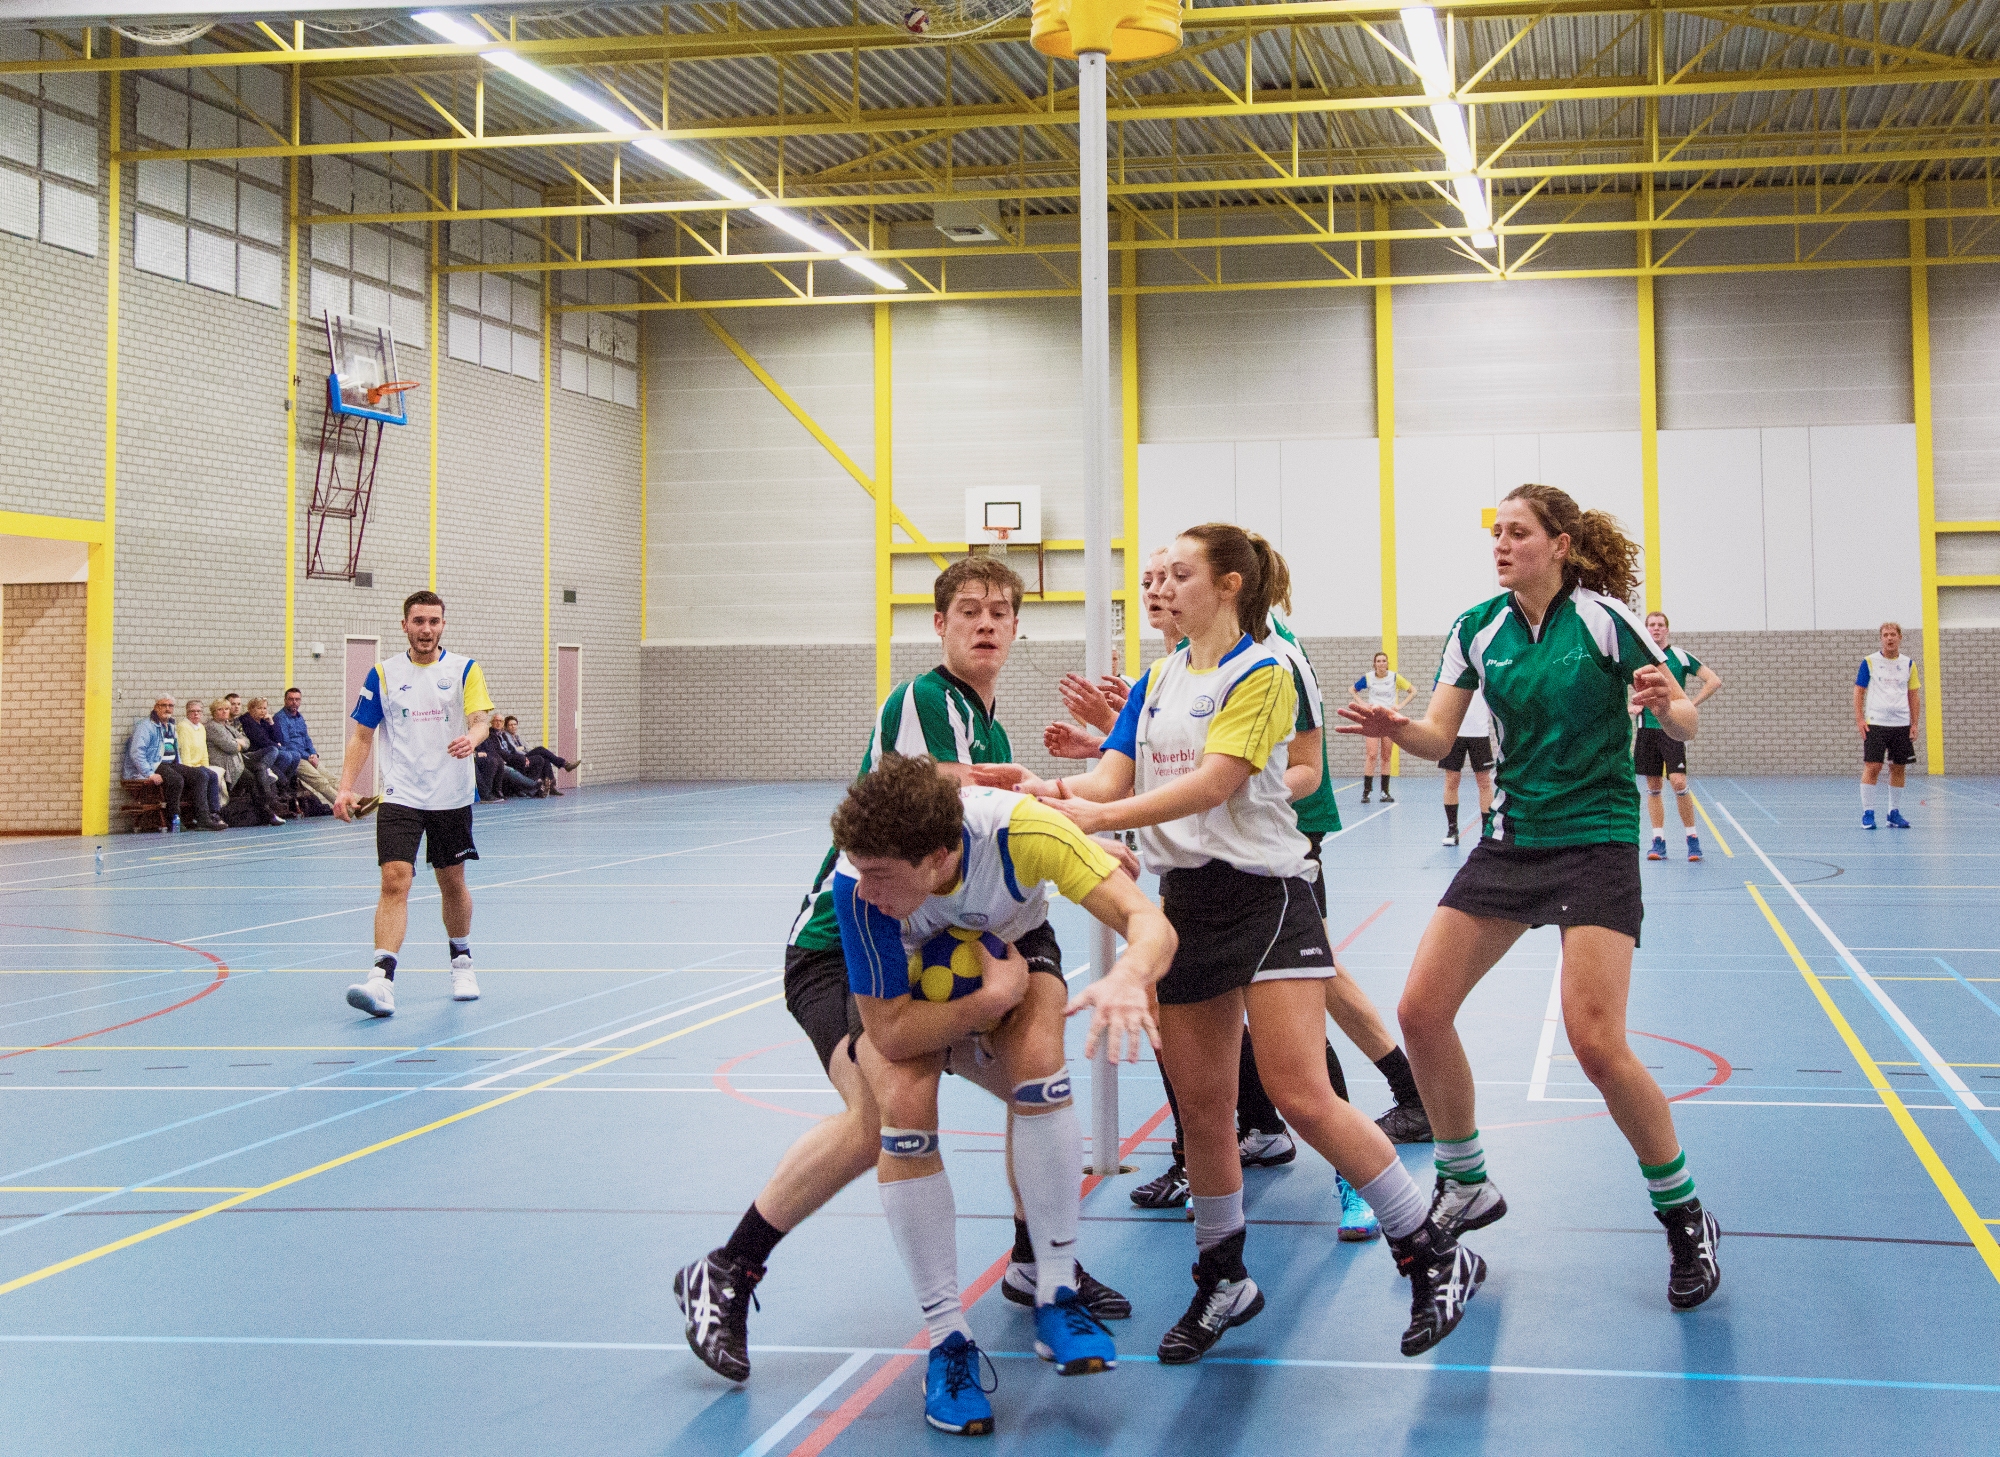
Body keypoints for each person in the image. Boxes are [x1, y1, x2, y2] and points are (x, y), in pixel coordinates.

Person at [993, 523, 1485, 1365]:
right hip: (1188, 902)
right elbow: (1112, 773)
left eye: (1180, 573)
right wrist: (1045, 790)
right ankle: (1223, 1275)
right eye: (1158, 576)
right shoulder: (1158, 679)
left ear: (1229, 584)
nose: (1161, 586)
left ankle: (1431, 1251)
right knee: (1204, 1109)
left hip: (1265, 897)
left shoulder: (1263, 672)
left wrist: (1097, 817)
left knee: (1300, 1093)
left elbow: (1214, 784)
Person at [674, 557, 1133, 1391]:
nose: (986, 623)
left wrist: (1077, 836)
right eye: (969, 610)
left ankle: (1036, 1262)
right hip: (846, 943)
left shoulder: (986, 724)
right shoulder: (925, 701)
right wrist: (1070, 824)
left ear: (1018, 627)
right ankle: (728, 1266)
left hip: (935, 935)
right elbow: (950, 795)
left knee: (1035, 1081)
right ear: (939, 623)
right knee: (881, 1116)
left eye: (1000, 611)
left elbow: (995, 816)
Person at [1341, 483, 1721, 1312]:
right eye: (1497, 533)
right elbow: (1439, 735)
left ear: (1560, 544)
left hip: (1596, 839)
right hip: (1513, 840)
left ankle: (1684, 1212)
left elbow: (1685, 719)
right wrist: (1395, 730)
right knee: (1420, 1010)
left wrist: (1670, 706)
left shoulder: (1604, 621)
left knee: (1597, 1043)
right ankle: (1465, 1177)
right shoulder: (1477, 628)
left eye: (1519, 532)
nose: (1502, 545)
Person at [832, 758, 1176, 1434]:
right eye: (860, 871)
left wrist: (1130, 975)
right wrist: (988, 1002)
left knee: (1042, 1065)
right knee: (905, 1105)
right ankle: (947, 1339)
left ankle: (1056, 1290)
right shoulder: (858, 885)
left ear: (938, 857)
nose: (866, 886)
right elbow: (892, 1030)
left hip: (1012, 943)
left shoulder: (1026, 833)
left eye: (882, 875)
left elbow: (1149, 921)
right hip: (910, 981)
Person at [335, 590, 494, 1016]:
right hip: (401, 794)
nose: (426, 629)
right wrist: (345, 787)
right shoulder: (383, 674)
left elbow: (481, 721)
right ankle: (381, 980)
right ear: (404, 625)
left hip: (451, 794)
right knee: (394, 879)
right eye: (418, 621)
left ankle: (462, 962)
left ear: (443, 625)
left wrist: (472, 738)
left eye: (433, 621)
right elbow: (362, 736)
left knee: (451, 882)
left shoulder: (464, 669)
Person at [1633, 611, 1721, 860]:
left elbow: (1713, 681)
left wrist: (1690, 705)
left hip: (1672, 729)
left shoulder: (1680, 656)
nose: (1656, 628)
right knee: (1653, 786)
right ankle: (1658, 841)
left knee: (1679, 783)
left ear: (1667, 630)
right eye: (1651, 625)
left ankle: (1692, 838)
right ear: (1646, 629)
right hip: (1647, 729)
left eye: (1660, 625)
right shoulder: (1638, 657)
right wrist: (1633, 705)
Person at [1856, 621, 1920, 830]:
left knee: (1898, 767)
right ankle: (1868, 813)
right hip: (1876, 723)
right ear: (1881, 638)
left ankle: (1893, 813)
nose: (1889, 638)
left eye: (1893, 634)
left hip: (1901, 724)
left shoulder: (1908, 664)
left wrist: (1914, 723)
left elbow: (1913, 695)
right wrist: (1860, 719)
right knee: (1873, 766)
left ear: (1900, 637)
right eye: (1885, 635)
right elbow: (1859, 690)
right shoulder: (1869, 662)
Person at [124, 696, 221, 831]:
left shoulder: (170, 725)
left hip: (171, 764)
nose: (167, 708)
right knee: (176, 779)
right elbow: (136, 752)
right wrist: (149, 773)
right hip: (154, 764)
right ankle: (174, 819)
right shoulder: (146, 726)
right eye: (163, 705)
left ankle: (203, 819)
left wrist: (182, 767)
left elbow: (175, 751)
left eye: (170, 706)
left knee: (200, 775)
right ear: (156, 707)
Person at [206, 699, 286, 827]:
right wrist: (238, 743)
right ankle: (268, 808)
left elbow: (247, 742)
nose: (224, 712)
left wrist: (238, 743)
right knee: (252, 779)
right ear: (213, 712)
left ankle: (268, 804)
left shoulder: (228, 726)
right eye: (220, 709)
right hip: (226, 764)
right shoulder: (212, 727)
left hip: (238, 761)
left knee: (261, 767)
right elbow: (230, 747)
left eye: (226, 709)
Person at [1350, 652, 1413, 803]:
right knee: (1371, 755)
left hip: (1388, 719)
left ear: (1387, 663)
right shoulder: (1369, 677)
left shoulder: (1394, 677)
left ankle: (1385, 792)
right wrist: (1362, 703)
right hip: (1372, 719)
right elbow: (1352, 689)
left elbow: (1413, 691)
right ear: (1375, 664)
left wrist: (1399, 706)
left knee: (1386, 756)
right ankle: (1366, 792)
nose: (1381, 663)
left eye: (1384, 661)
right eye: (1378, 661)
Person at [1438, 686, 1495, 849]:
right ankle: (1452, 830)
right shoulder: (1451, 675)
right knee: (1452, 780)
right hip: (1453, 733)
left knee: (1484, 782)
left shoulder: (1484, 672)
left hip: (1480, 733)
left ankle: (1486, 832)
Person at [275, 688, 342, 806]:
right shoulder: (280, 718)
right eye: (291, 699)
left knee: (332, 779)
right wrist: (308, 757)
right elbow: (286, 743)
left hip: (308, 756)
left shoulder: (299, 717)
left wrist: (313, 754)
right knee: (321, 781)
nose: (294, 702)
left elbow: (306, 738)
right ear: (285, 700)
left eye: (297, 699)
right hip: (296, 758)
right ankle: (347, 807)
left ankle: (358, 801)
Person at [171, 699, 228, 831]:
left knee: (213, 775)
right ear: (187, 713)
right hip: (188, 766)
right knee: (202, 776)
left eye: (198, 711)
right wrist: (190, 769)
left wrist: (206, 766)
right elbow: (184, 750)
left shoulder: (201, 728)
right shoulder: (183, 727)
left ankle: (214, 812)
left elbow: (203, 751)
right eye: (192, 711)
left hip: (199, 765)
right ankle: (201, 817)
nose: (196, 714)